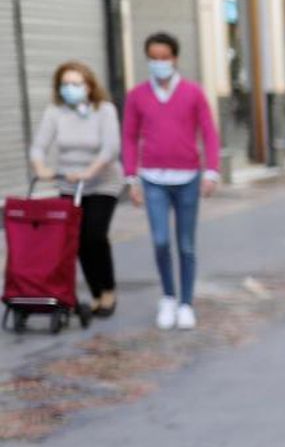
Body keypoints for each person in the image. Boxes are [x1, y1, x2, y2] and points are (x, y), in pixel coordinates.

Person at [123, 32, 221, 331]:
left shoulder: (193, 93)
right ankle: (168, 296)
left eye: (164, 58)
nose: (159, 63)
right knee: (161, 240)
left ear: (175, 59)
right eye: (153, 58)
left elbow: (209, 132)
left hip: (188, 177)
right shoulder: (137, 96)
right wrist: (132, 178)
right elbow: (128, 137)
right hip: (153, 179)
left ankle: (186, 303)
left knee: (187, 244)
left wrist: (211, 171)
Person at [29, 60, 124, 317]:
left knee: (94, 234)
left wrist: (89, 172)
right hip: (69, 184)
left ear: (89, 86)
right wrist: (40, 167)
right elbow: (39, 146)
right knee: (77, 240)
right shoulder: (55, 112)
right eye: (65, 84)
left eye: (76, 84)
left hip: (103, 182)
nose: (70, 88)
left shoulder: (104, 110)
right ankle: (95, 293)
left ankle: (108, 290)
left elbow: (110, 149)